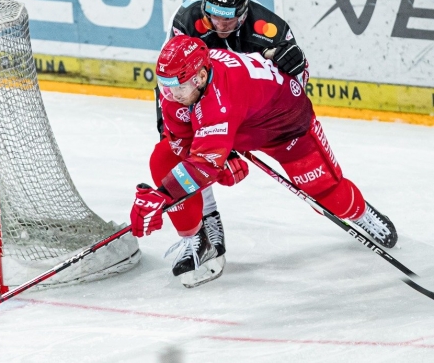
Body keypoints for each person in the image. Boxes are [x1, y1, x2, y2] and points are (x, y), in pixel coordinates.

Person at [130, 35, 397, 288]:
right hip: (241, 123)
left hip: (287, 127)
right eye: (166, 84)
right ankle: (197, 240)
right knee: (165, 157)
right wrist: (222, 158)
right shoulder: (187, 88)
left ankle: (360, 213)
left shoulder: (221, 100)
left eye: (179, 86)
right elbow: (183, 142)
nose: (172, 93)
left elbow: (204, 164)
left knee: (328, 195)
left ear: (200, 77)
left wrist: (163, 196)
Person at [153, 0, 308, 269]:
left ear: (244, 11)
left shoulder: (269, 29)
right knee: (182, 151)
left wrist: (296, 64)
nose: (220, 24)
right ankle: (207, 222)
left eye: (229, 17)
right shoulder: (188, 21)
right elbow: (174, 80)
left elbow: (295, 85)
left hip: (247, 105)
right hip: (193, 92)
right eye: (214, 16)